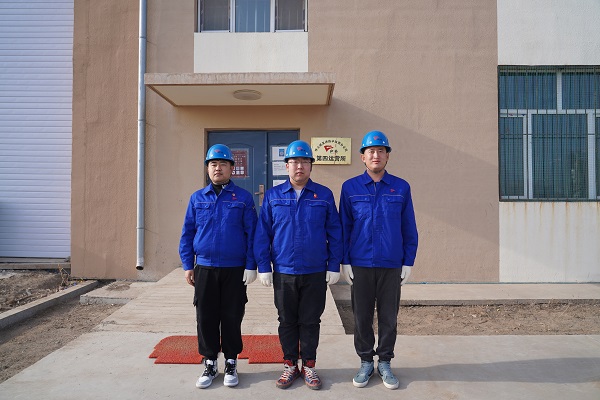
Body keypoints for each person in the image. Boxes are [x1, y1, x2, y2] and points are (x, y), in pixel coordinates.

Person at [254, 140, 343, 390]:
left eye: (305, 161)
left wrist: (334, 264)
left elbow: (335, 231)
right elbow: (263, 233)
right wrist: (263, 266)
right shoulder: (273, 196)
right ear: (287, 166)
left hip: (315, 271)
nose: (299, 166)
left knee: (311, 320)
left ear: (311, 166)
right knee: (287, 320)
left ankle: (309, 366)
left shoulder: (323, 195)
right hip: (284, 271)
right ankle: (290, 364)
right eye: (294, 162)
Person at [339, 130, 418, 390]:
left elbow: (409, 227)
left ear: (387, 156)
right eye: (370, 151)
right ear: (362, 157)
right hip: (360, 264)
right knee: (361, 317)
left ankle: (384, 361)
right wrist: (344, 261)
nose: (376, 155)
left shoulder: (401, 187)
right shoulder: (350, 188)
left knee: (388, 317)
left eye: (381, 151)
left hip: (391, 264)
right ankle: (365, 361)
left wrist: (408, 261)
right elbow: (344, 228)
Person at [179, 144, 258, 389]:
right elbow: (187, 233)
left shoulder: (243, 198)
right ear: (207, 169)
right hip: (205, 268)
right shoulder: (197, 198)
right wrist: (188, 264)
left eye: (223, 164)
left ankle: (231, 361)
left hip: (235, 269)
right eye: (213, 164)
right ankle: (210, 362)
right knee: (205, 316)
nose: (218, 168)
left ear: (232, 169)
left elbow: (252, 234)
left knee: (232, 315)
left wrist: (251, 265)